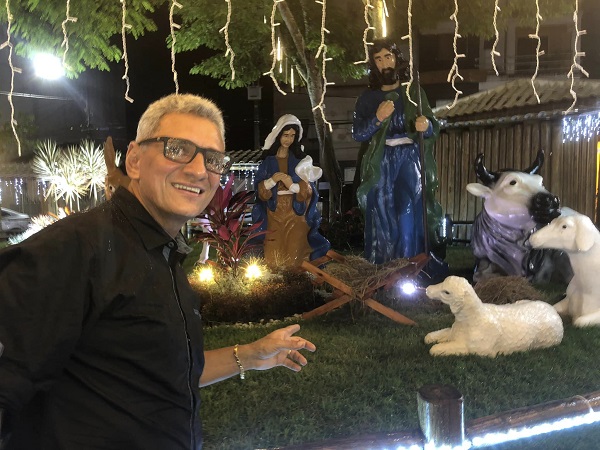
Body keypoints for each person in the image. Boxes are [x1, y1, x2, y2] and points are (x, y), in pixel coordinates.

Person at [0, 94, 316, 450]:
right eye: (177, 149)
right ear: (134, 160)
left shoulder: (163, 253)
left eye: (212, 159)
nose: (199, 170)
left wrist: (250, 354)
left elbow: (162, 371)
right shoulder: (72, 250)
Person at [352, 38, 447, 267]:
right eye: (378, 59)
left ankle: (409, 264)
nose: (384, 63)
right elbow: (358, 133)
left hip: (409, 159)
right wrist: (377, 118)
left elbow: (432, 126)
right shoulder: (367, 98)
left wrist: (426, 126)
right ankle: (382, 266)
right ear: (373, 64)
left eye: (388, 57)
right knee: (382, 213)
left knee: (407, 209)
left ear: (396, 59)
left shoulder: (413, 92)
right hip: (381, 161)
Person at [252, 114, 330, 267]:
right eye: (285, 135)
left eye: (292, 136)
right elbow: (260, 190)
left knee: (294, 252)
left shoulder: (301, 161)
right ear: (278, 135)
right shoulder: (268, 162)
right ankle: (275, 279)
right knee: (273, 253)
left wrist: (292, 185)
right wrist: (271, 181)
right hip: (274, 212)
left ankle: (296, 278)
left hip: (296, 213)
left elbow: (309, 188)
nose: (288, 139)